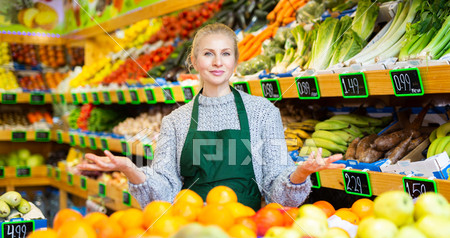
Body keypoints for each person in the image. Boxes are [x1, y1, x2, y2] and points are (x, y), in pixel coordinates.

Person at [77, 23, 345, 211]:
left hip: (249, 230)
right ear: (193, 61)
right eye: (208, 54)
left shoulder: (263, 112)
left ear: (235, 62)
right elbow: (163, 191)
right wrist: (130, 169)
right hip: (192, 232)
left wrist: (299, 174)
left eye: (225, 54)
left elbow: (278, 194)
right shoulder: (176, 121)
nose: (218, 62)